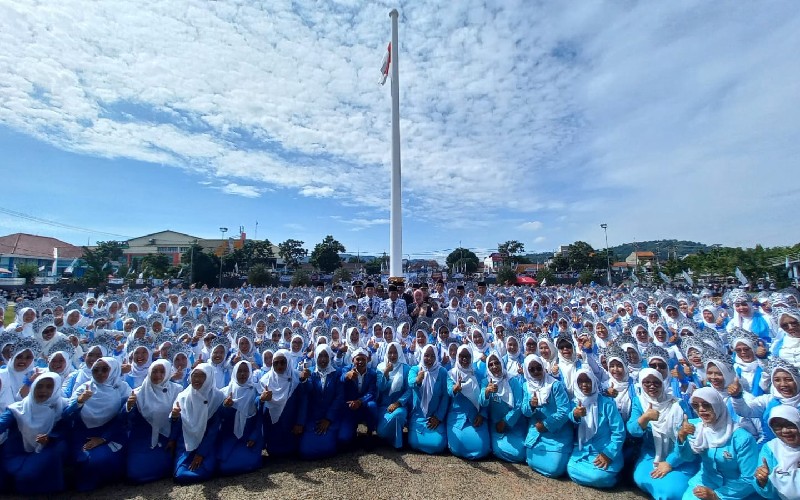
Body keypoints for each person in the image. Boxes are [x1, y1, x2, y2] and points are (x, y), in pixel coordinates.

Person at [0, 373, 84, 494]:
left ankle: (51, 485)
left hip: (49, 448)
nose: (43, 391)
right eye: (39, 386)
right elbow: (2, 423)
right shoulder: (18, 408)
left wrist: (50, 438)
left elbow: (68, 429)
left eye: (49, 387)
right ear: (33, 387)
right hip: (19, 450)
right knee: (13, 474)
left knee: (27, 475)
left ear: (55, 389)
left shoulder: (62, 406)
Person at [678, 387, 759, 500]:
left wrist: (716, 495)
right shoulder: (696, 428)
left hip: (736, 491)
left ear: (717, 405)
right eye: (696, 405)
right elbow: (687, 457)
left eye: (706, 405)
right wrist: (682, 437)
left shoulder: (742, 438)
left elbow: (750, 478)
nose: (701, 410)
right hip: (705, 482)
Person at [627, 368, 697, 500]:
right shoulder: (639, 402)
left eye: (656, 382)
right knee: (642, 478)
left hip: (680, 455)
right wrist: (644, 418)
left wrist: (670, 463)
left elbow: (689, 436)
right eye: (647, 383)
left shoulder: (677, 404)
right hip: (651, 454)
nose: (652, 386)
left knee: (671, 491)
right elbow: (633, 431)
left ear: (663, 383)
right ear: (641, 384)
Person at [69, 357, 131, 491]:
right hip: (84, 435)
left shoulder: (122, 388)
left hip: (112, 435)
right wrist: (79, 401)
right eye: (95, 370)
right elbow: (67, 414)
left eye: (105, 369)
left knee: (97, 460)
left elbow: (123, 420)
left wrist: (103, 438)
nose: (100, 374)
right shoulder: (84, 388)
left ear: (114, 370)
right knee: (81, 458)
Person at [124, 359, 182, 483]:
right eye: (154, 371)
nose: (158, 375)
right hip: (143, 438)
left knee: (166, 467)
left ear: (167, 373)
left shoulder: (177, 390)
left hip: (166, 438)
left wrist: (172, 438)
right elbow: (129, 422)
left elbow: (181, 420)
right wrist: (129, 406)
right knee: (135, 474)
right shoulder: (138, 392)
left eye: (162, 372)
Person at [566, 368, 625, 488]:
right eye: (580, 382)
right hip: (584, 450)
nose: (584, 385)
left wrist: (608, 454)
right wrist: (575, 415)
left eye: (587, 381)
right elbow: (570, 418)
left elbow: (619, 432)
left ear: (593, 382)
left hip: (605, 450)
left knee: (598, 476)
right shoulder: (575, 402)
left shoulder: (607, 403)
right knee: (570, 468)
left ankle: (612, 478)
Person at [521, 353, 573, 478]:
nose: (536, 371)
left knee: (554, 468)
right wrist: (531, 406)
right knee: (531, 461)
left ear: (543, 367)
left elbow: (564, 410)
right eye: (531, 369)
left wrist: (546, 424)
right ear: (527, 371)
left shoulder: (555, 385)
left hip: (557, 433)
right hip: (537, 432)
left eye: (539, 368)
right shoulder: (526, 386)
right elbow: (524, 411)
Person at [217, 360, 263, 476]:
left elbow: (259, 418)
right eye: (239, 371)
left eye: (246, 371)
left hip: (248, 436)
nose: (243, 374)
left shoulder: (255, 390)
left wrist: (254, 435)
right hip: (230, 436)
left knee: (246, 462)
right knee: (224, 465)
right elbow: (220, 419)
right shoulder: (226, 392)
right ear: (235, 373)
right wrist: (226, 407)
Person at [259, 349, 306, 458]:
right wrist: (262, 399)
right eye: (276, 363)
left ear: (288, 362)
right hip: (273, 427)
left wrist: (300, 423)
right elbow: (259, 407)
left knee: (292, 450)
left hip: (292, 425)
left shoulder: (297, 377)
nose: (279, 365)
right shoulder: (265, 381)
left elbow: (303, 402)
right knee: (275, 452)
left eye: (283, 362)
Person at [298, 344, 342, 459]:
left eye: (326, 356)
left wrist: (328, 419)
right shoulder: (311, 373)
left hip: (330, 418)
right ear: (315, 357)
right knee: (305, 451)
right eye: (320, 356)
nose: (323, 359)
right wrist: (303, 380)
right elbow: (308, 390)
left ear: (330, 357)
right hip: (313, 418)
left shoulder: (336, 373)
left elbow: (339, 397)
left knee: (329, 449)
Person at [480, 351, 525, 463]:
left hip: (513, 424)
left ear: (501, 363)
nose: (494, 366)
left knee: (521, 452)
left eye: (497, 363)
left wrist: (506, 421)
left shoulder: (512, 380)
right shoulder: (486, 382)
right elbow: (482, 403)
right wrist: (486, 392)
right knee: (511, 452)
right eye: (491, 364)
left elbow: (518, 405)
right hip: (496, 426)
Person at [446, 345, 489, 460]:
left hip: (476, 417)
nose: (464, 359)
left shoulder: (478, 375)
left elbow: (485, 397)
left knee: (482, 448)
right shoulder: (451, 374)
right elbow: (449, 391)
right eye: (461, 356)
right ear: (457, 357)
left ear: (471, 358)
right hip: (457, 417)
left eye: (467, 356)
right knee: (458, 447)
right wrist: (455, 389)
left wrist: (482, 414)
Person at [407, 344, 449, 454]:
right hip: (418, 415)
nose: (429, 359)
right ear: (422, 356)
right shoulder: (415, 369)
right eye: (426, 355)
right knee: (414, 442)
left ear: (436, 357)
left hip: (434, 416)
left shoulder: (442, 372)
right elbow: (410, 383)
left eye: (432, 356)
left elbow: (445, 396)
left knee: (438, 444)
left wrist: (438, 417)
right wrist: (418, 380)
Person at [753, 405, 800, 499]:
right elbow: (769, 494)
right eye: (778, 427)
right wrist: (762, 481)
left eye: (790, 425)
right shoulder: (771, 448)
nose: (785, 431)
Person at [338, 348, 377, 448]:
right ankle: (353, 431)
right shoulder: (346, 369)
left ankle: (370, 432)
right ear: (352, 360)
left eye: (363, 359)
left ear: (367, 360)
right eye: (358, 359)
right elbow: (341, 378)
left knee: (372, 405)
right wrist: (347, 376)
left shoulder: (372, 373)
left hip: (363, 405)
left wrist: (360, 401)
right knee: (344, 439)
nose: (360, 362)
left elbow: (372, 392)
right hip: (350, 406)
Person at [375, 341, 411, 449]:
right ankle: (389, 436)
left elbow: (409, 390)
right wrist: (386, 372)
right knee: (381, 431)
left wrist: (398, 403)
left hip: (400, 405)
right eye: (390, 353)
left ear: (400, 353)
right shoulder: (380, 367)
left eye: (395, 353)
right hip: (384, 406)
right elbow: (380, 388)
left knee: (398, 415)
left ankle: (396, 442)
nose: (392, 355)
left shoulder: (406, 368)